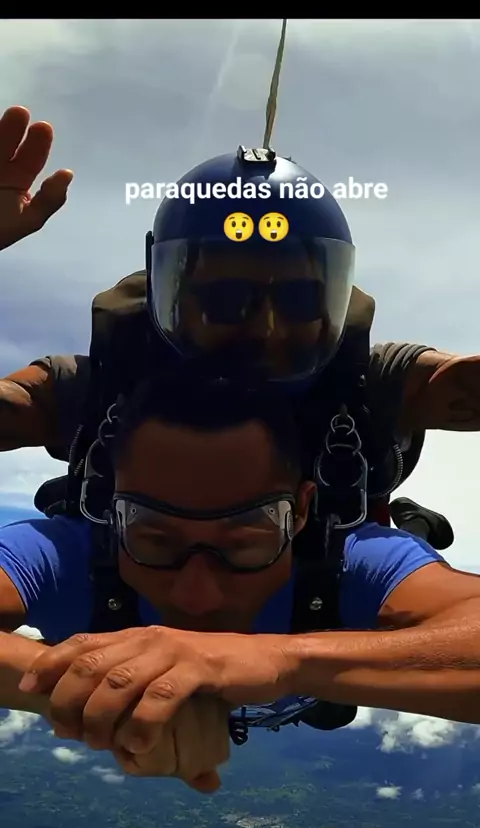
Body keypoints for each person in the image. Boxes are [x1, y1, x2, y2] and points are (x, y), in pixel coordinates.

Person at [0, 105, 464, 547]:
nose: (267, 329)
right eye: (224, 300)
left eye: (300, 299)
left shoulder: (371, 383)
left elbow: (454, 381)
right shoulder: (101, 384)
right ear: (168, 295)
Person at [1, 373, 480, 791]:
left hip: (302, 685)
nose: (197, 595)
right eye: (153, 538)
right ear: (111, 512)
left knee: (332, 704)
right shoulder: (63, 552)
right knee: (332, 703)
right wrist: (105, 686)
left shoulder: (350, 559)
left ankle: (414, 525)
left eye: (246, 540)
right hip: (302, 691)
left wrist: (282, 660)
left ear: (302, 512)